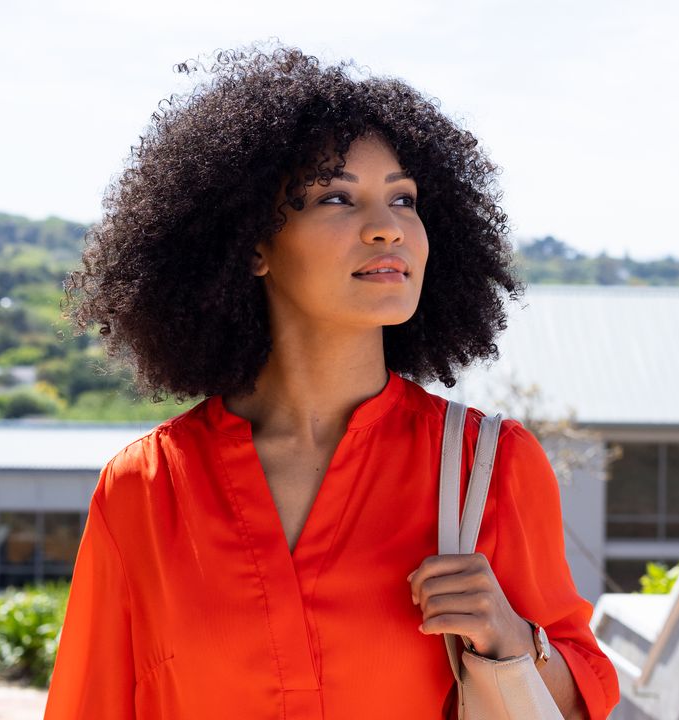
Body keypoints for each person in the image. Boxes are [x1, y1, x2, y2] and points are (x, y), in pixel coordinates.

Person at [43, 43, 619, 719]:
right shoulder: (145, 491)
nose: (387, 229)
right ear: (251, 244)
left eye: (403, 198)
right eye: (337, 197)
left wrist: (510, 639)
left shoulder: (486, 469)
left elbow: (583, 701)